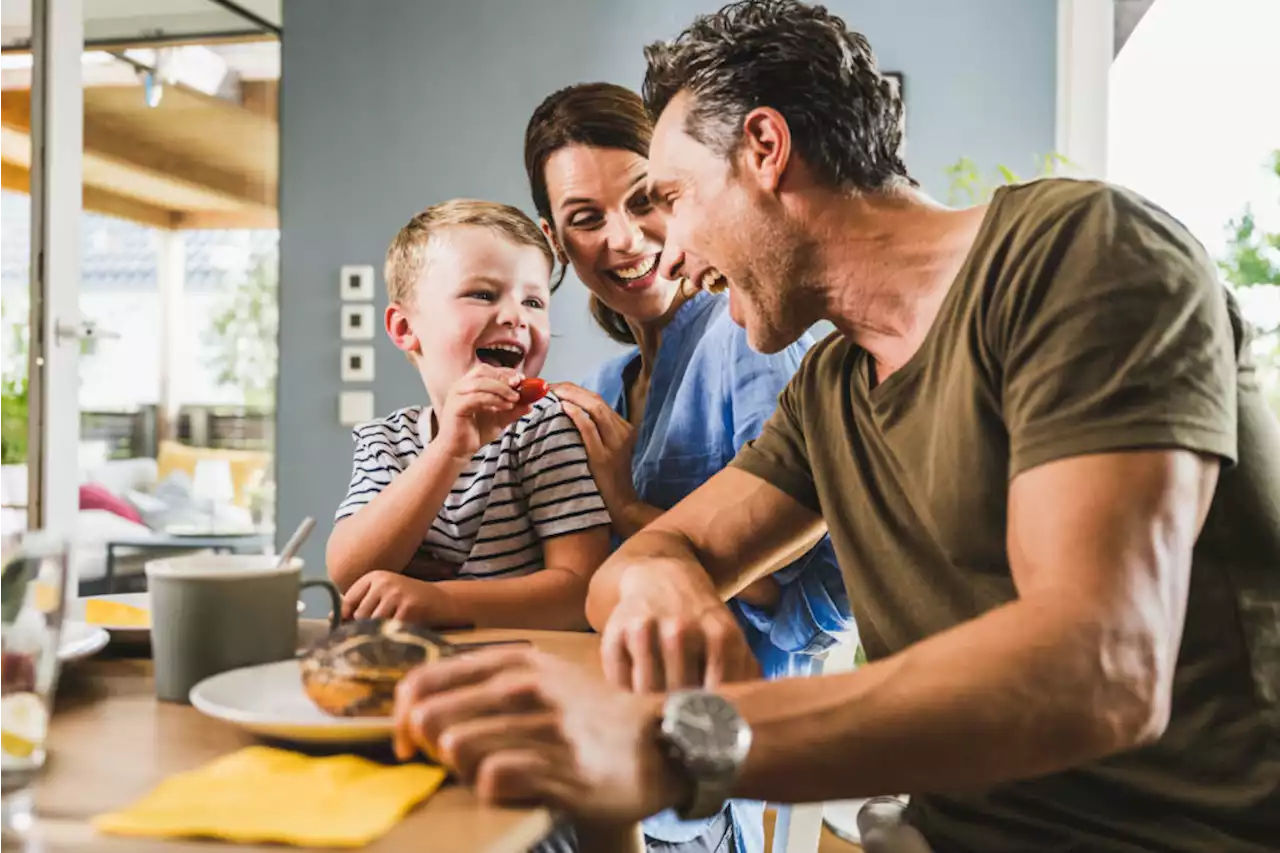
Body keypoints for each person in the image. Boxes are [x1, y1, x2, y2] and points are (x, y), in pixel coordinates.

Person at [390, 3, 1280, 852]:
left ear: (765, 151)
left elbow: (1096, 671)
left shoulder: (1081, 254)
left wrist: (671, 741)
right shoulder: (833, 385)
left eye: (673, 197)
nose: (672, 252)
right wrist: (664, 577)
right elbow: (638, 563)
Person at [522, 82, 855, 852]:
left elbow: (777, 579)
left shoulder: (747, 334)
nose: (625, 239)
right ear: (554, 242)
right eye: (585, 219)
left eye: (646, 200)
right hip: (612, 730)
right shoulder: (609, 386)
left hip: (708, 779)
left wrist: (617, 500)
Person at [326, 199, 612, 629]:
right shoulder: (385, 439)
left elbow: (581, 591)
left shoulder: (547, 427)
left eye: (534, 301)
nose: (517, 316)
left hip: (528, 667)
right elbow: (349, 572)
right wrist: (450, 450)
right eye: (483, 294)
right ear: (405, 329)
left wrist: (439, 600)